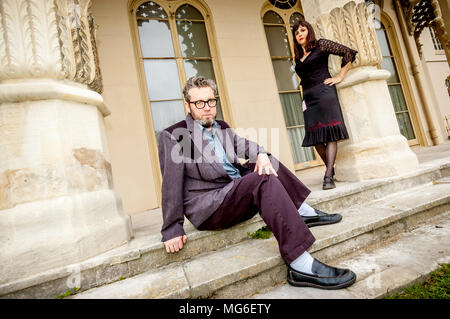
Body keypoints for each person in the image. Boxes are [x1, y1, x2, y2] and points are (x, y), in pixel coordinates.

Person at [157, 75, 356, 289]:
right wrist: (172, 228)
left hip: (235, 192)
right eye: (199, 103)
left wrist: (261, 153)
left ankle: (301, 210)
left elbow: (244, 145)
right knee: (262, 179)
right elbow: (171, 184)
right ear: (187, 105)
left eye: (211, 101)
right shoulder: (179, 136)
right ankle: (300, 264)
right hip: (211, 205)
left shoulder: (221, 127)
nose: (206, 107)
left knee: (266, 161)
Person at [292, 20, 358, 190]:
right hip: (308, 99)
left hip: (324, 94)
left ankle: (328, 175)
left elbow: (349, 53)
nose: (299, 34)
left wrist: (340, 76)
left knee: (330, 134)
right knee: (315, 138)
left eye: (302, 30)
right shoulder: (298, 56)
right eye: (296, 32)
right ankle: (331, 169)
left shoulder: (321, 45)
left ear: (309, 31)